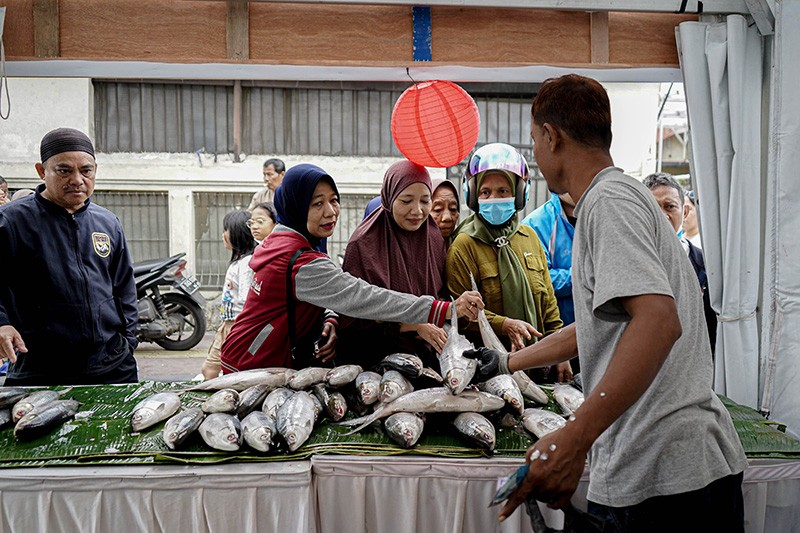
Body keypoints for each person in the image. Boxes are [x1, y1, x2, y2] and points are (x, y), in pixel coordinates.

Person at [464, 75, 747, 532]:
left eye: (534, 140)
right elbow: (599, 327)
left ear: (551, 136)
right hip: (667, 466)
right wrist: (507, 362)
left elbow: (658, 322)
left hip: (665, 472)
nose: (536, 152)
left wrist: (575, 436)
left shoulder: (607, 202)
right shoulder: (620, 197)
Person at [219, 163, 483, 373]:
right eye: (317, 203)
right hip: (254, 361)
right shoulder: (299, 258)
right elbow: (361, 296)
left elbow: (322, 294)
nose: (330, 211)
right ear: (295, 206)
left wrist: (329, 318)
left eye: (334, 200)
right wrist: (441, 310)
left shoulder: (289, 241)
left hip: (265, 354)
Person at [0, 127, 139, 386]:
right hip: (39, 370)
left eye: (86, 171)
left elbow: (124, 287)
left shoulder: (107, 222)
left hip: (112, 366)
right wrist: (2, 323)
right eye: (64, 171)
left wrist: (128, 342)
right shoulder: (11, 221)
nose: (77, 180)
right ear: (41, 171)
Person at [446, 143, 570, 383]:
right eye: (485, 192)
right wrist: (504, 325)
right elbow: (458, 315)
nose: (494, 198)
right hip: (487, 371)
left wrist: (561, 351)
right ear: (473, 196)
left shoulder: (530, 238)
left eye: (503, 191)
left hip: (538, 366)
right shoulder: (463, 245)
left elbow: (548, 302)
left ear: (520, 194)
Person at [338, 160, 449, 367]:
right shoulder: (363, 244)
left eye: (425, 201)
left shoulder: (433, 237)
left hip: (426, 355)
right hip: (372, 359)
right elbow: (355, 318)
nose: (417, 211)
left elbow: (441, 290)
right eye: (406, 201)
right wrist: (415, 325)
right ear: (389, 199)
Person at [643, 172, 717, 355]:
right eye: (653, 207)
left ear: (685, 212)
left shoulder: (705, 265)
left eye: (670, 206)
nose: (662, 215)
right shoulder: (630, 261)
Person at [201, 209, 256, 380]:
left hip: (236, 327)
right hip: (227, 325)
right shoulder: (239, 262)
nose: (223, 234)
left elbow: (247, 300)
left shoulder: (246, 263)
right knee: (211, 369)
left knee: (213, 370)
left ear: (238, 233)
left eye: (226, 230)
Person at [521, 191, 576, 326]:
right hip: (556, 329)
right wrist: (585, 277)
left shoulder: (605, 217)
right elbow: (537, 281)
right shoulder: (535, 224)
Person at [430, 177, 460, 242]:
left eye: (453, 209)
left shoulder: (465, 244)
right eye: (437, 210)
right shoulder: (413, 245)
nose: (447, 218)